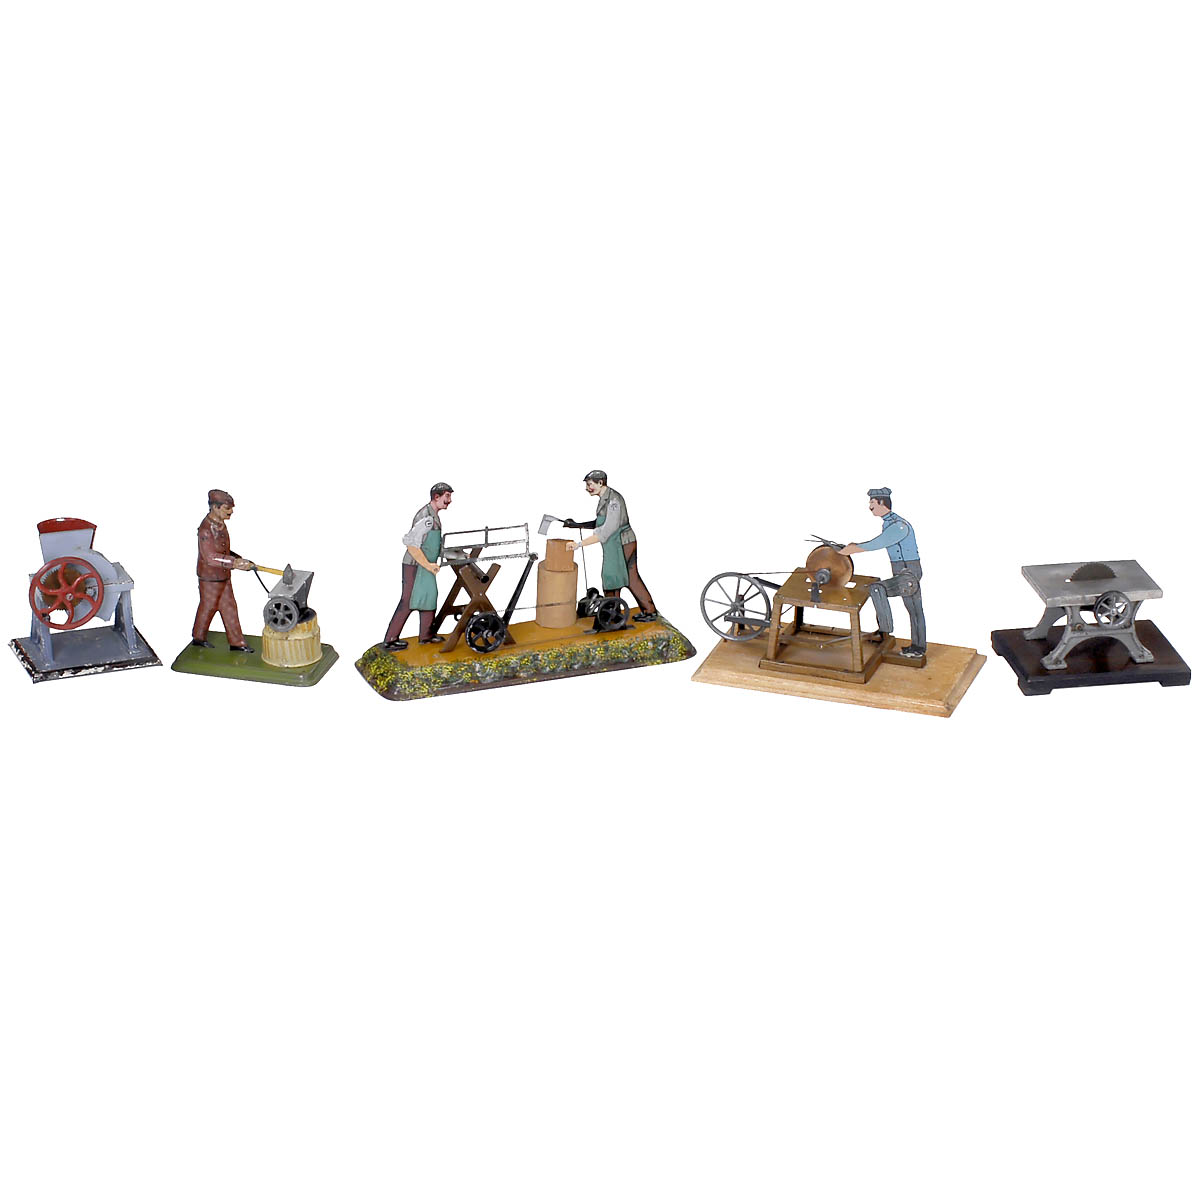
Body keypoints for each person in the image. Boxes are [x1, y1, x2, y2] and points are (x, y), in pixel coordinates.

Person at [839, 487, 926, 659]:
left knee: (880, 590)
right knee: (913, 609)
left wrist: (853, 549)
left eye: (872, 502)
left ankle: (888, 632)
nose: (870, 506)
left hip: (908, 572)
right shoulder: (889, 523)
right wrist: (854, 546)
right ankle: (915, 645)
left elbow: (878, 543)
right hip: (902, 571)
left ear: (881, 502)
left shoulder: (898, 526)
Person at [563, 470, 657, 621]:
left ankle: (618, 613)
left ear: (600, 483)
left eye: (590, 484)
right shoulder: (604, 498)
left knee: (614, 577)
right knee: (628, 578)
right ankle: (640, 611)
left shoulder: (614, 501)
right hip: (617, 543)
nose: (587, 488)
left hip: (622, 543)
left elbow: (606, 531)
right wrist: (577, 525)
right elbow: (600, 523)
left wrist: (579, 544)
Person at [383, 483, 454, 649]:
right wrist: (428, 565)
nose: (449, 500)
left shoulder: (435, 516)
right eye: (447, 496)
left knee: (429, 597)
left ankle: (426, 636)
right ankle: (390, 639)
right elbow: (412, 545)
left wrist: (457, 555)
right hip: (415, 566)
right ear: (436, 497)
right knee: (408, 600)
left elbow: (434, 546)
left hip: (426, 566)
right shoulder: (426, 518)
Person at [192, 488, 255, 652]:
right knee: (208, 607)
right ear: (215, 507)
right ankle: (198, 637)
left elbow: (222, 551)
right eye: (227, 508)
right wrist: (234, 563)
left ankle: (237, 643)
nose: (231, 512)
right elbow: (210, 557)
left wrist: (238, 559)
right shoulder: (206, 530)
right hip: (210, 578)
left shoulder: (220, 525)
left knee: (229, 608)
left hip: (223, 576)